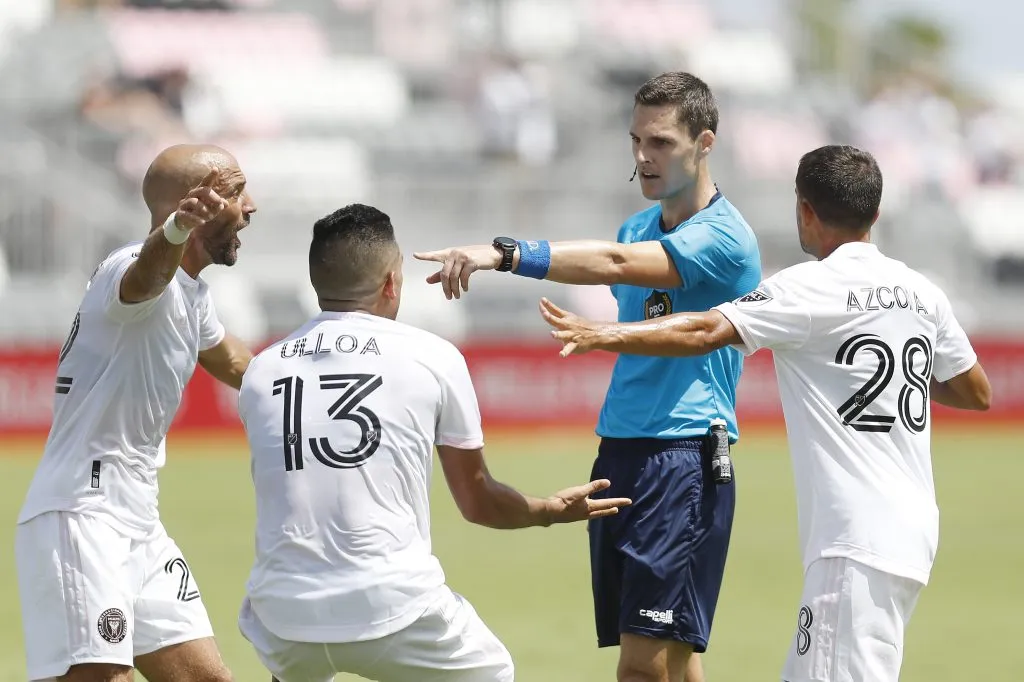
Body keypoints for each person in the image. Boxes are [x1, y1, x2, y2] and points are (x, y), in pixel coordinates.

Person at [540, 144, 993, 682]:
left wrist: (605, 333)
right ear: (875, 213)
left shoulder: (809, 287)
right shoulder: (923, 293)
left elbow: (706, 330)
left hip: (854, 538)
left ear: (804, 208)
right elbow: (974, 391)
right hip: (912, 533)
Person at [414, 71, 761, 681]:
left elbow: (614, 262)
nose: (642, 156)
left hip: (683, 454)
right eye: (636, 140)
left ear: (705, 143)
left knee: (643, 667)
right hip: (621, 450)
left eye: (660, 142)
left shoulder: (725, 236)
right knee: (674, 659)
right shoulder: (638, 226)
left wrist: (505, 254)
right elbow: (617, 256)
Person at [234, 203, 632, 682]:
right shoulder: (433, 357)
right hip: (391, 606)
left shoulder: (262, 368)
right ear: (391, 282)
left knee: (294, 665)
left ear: (318, 282)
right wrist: (549, 510)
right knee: (493, 672)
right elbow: (478, 501)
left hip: (280, 616)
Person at [15, 144, 258, 682]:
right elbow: (146, 279)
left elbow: (239, 364)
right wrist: (175, 231)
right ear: (194, 203)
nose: (251, 206)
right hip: (83, 513)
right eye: (237, 192)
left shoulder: (193, 293)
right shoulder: (127, 269)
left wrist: (323, 376)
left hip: (138, 519)